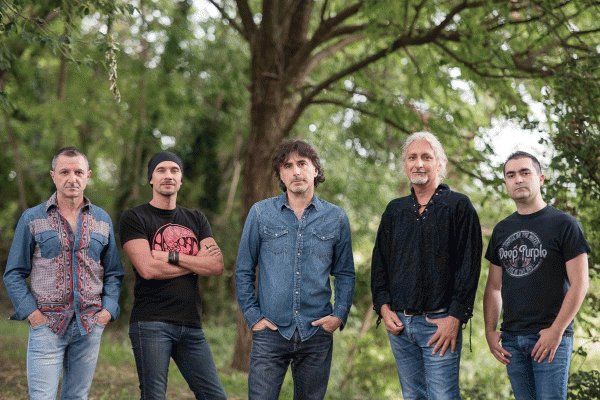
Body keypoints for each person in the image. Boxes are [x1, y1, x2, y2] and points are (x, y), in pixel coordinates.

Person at [235, 139, 355, 400]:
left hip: (316, 332)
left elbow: (345, 273)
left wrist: (339, 315)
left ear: (315, 170)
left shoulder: (336, 218)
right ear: (280, 174)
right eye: (288, 166)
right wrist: (253, 317)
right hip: (270, 331)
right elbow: (244, 269)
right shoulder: (260, 213)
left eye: (302, 164)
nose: (296, 171)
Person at [3, 146, 124, 400]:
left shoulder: (102, 220)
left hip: (89, 325)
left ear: (88, 176)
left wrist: (107, 312)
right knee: (42, 397)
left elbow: (114, 272)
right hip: (47, 325)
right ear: (53, 176)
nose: (72, 178)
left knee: (77, 397)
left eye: (78, 172)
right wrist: (33, 314)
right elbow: (13, 273)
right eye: (64, 172)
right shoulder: (32, 218)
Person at [371, 131, 482, 400]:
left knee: (443, 396)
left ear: (439, 164)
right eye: (412, 158)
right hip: (400, 324)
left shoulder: (458, 206)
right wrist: (384, 308)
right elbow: (379, 264)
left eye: (426, 157)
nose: (418, 163)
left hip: (440, 324)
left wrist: (455, 317)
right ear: (405, 165)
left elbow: (469, 266)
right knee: (412, 396)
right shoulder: (395, 210)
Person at [119, 151, 227, 400]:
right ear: (151, 179)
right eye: (161, 170)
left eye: (174, 170)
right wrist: (197, 261)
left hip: (191, 325)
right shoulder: (134, 217)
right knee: (154, 396)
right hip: (151, 323)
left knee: (215, 396)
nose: (168, 175)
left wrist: (170, 256)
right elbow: (148, 269)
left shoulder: (196, 219)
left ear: (180, 179)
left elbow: (216, 266)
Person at [483, 151, 590, 400]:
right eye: (511, 175)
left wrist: (556, 330)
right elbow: (494, 287)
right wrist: (489, 331)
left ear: (540, 179)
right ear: (506, 183)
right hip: (511, 339)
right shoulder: (502, 230)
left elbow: (580, 284)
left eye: (525, 172)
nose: (518, 179)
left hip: (549, 338)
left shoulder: (564, 224)